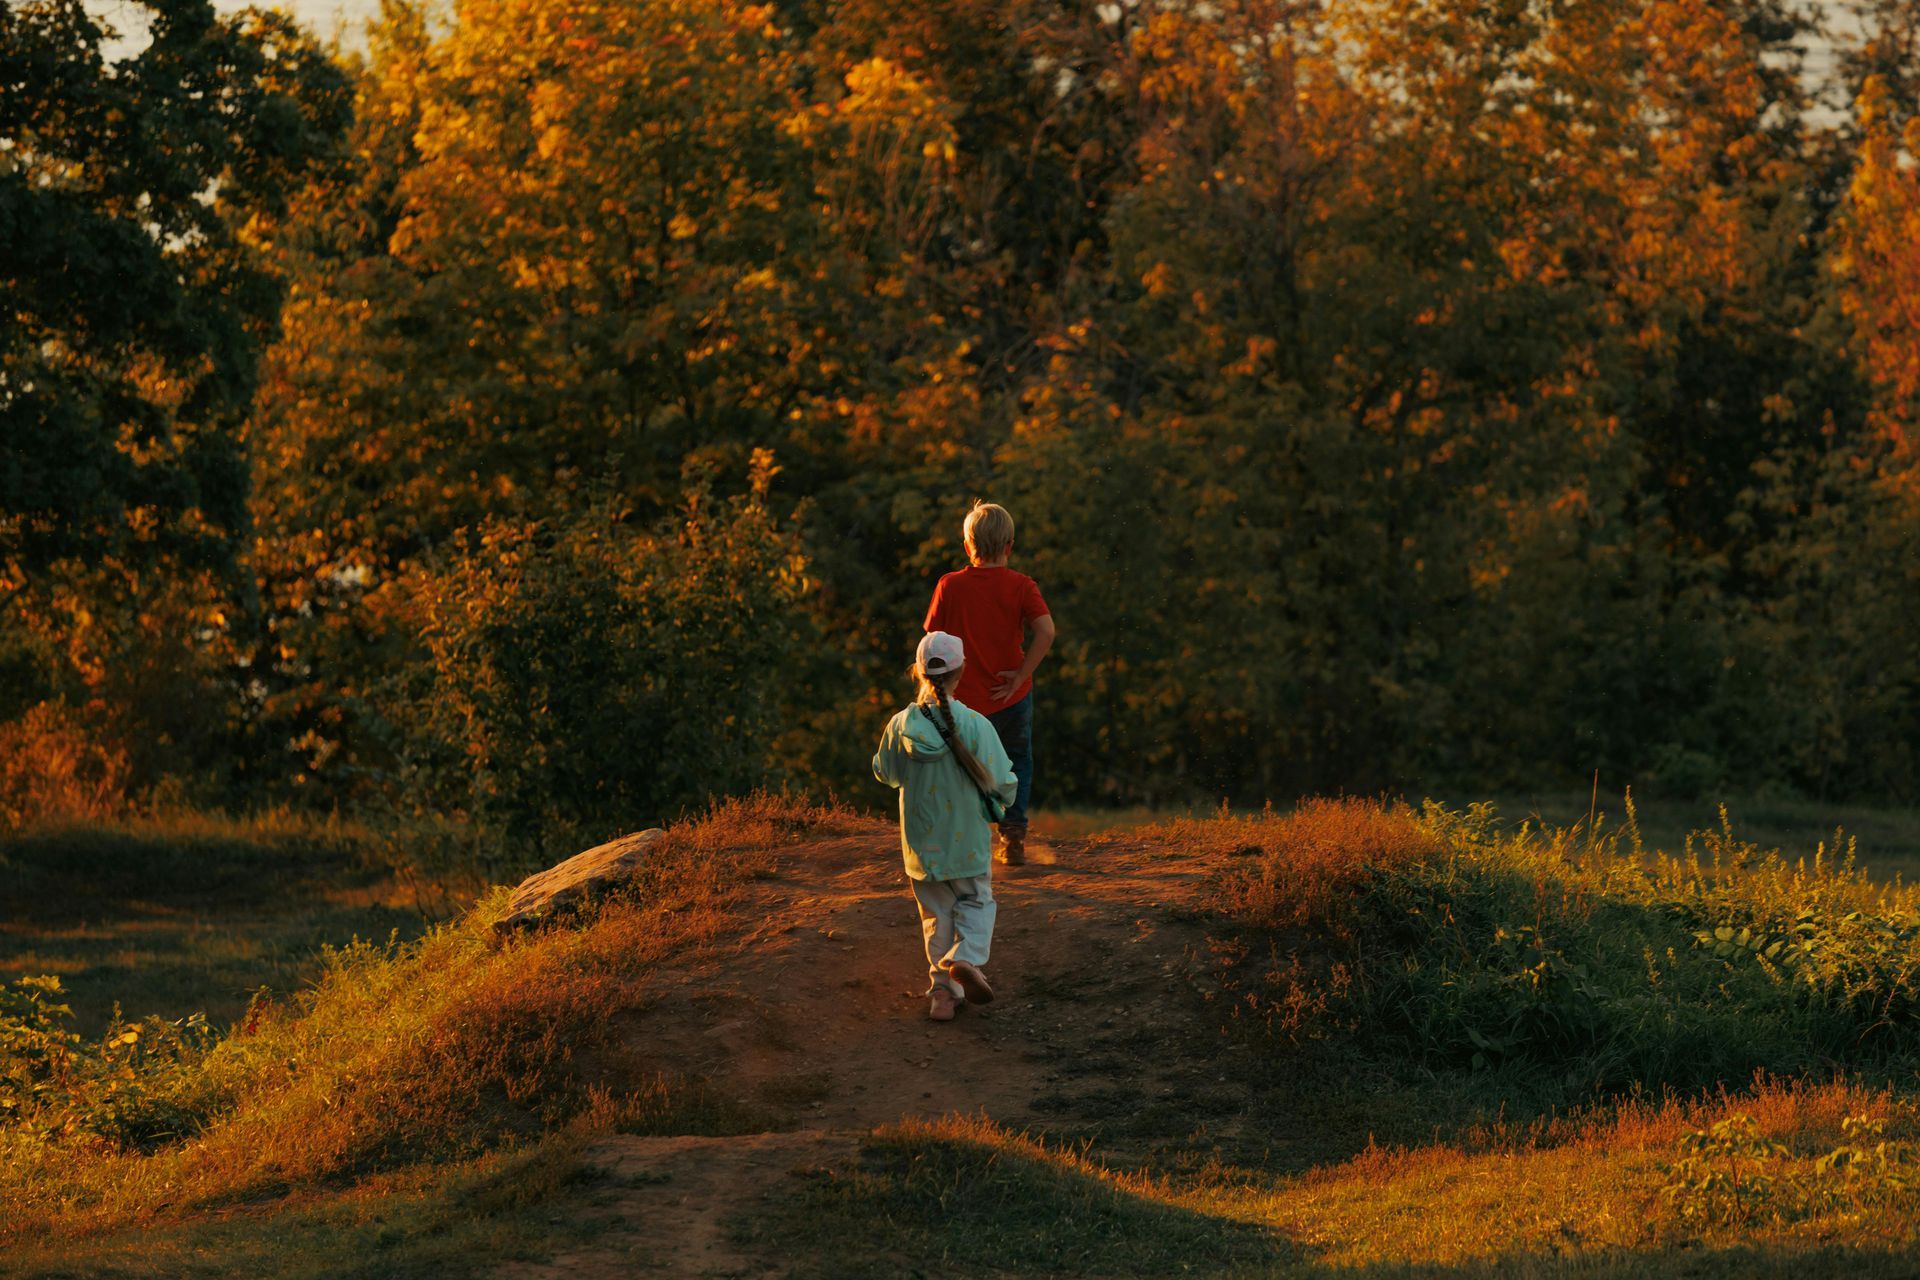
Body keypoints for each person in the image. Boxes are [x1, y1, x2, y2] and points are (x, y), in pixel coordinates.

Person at [872, 631, 1018, 1022]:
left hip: (921, 845)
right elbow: (1004, 782)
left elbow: (885, 774)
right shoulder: (976, 725)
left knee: (937, 916)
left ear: (917, 671)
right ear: (962, 670)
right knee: (977, 902)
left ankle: (943, 995)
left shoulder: (900, 725)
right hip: (966, 842)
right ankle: (964, 959)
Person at [923, 501, 1055, 865]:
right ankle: (1012, 837)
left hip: (962, 699)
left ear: (968, 546)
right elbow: (1046, 631)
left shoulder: (949, 586)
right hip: (1012, 697)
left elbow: (932, 641)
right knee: (1016, 762)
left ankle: (960, 838)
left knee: (959, 765)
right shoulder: (1022, 586)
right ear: (1010, 545)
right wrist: (1021, 674)